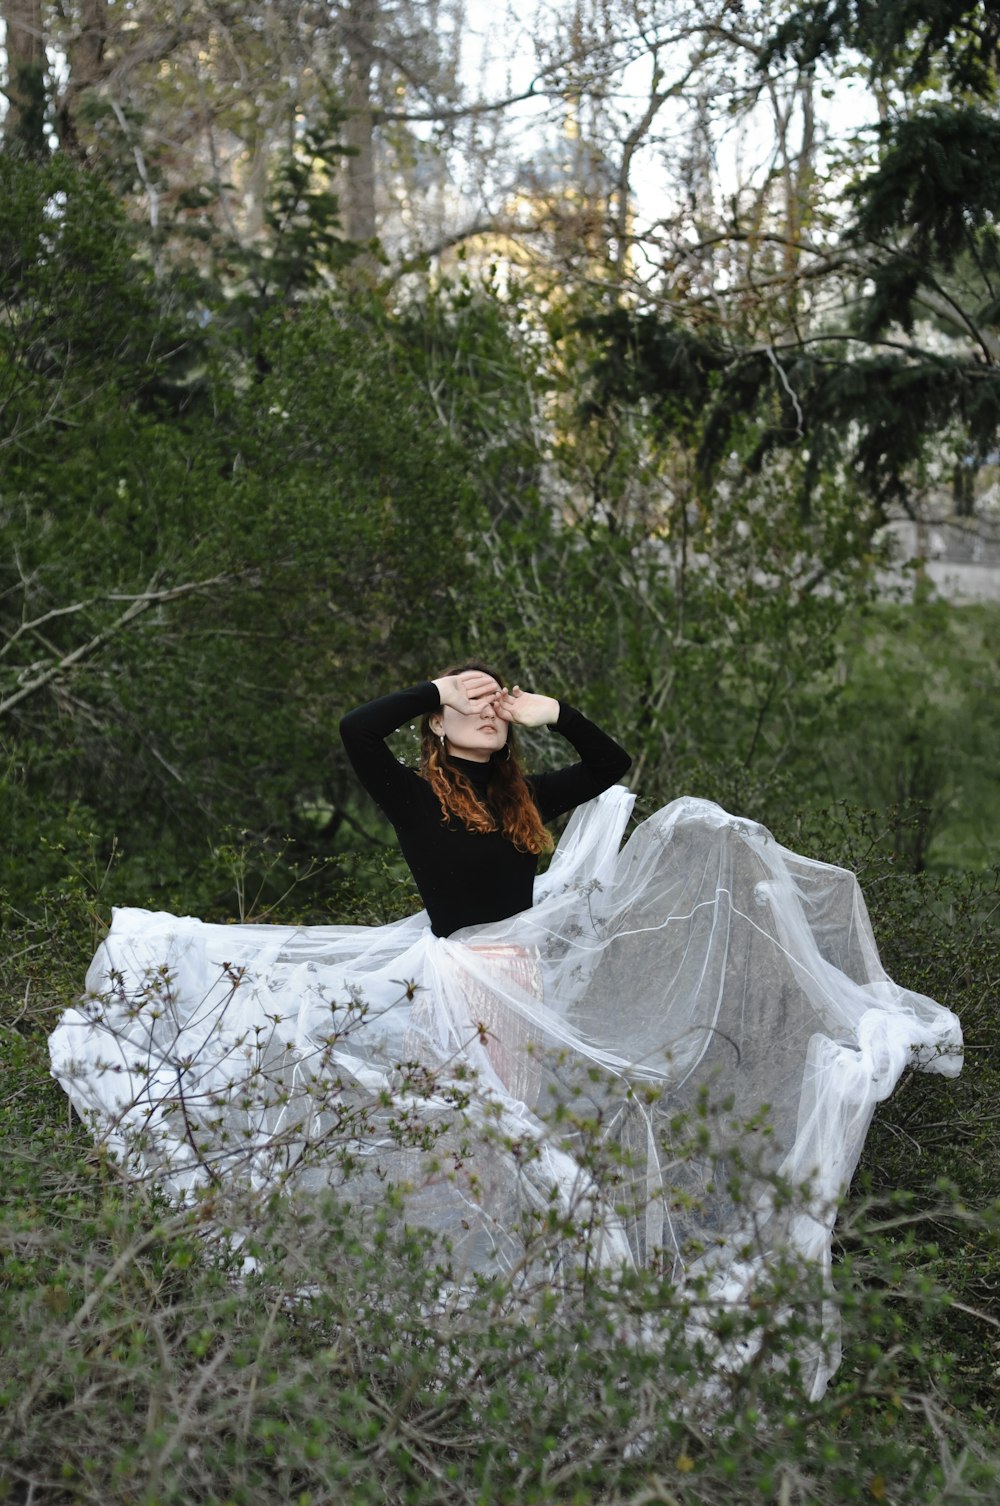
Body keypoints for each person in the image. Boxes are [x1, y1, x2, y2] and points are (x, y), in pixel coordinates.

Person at [49, 656, 963, 1400]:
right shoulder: (415, 791)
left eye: (492, 700)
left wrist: (545, 709)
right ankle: (445, 1288)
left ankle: (513, 1285)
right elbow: (353, 732)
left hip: (520, 980)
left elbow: (609, 764)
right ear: (439, 726)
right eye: (469, 702)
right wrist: (436, 691)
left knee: (517, 1137)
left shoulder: (523, 803)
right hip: (456, 980)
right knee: (471, 1133)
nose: (484, 708)